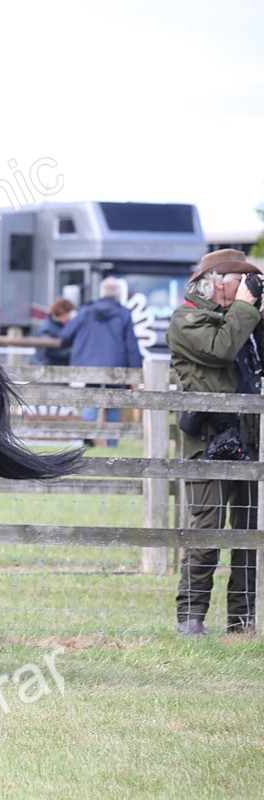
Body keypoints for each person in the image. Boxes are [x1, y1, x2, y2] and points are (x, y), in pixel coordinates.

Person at [168, 248, 262, 636]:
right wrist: (245, 309)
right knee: (206, 532)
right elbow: (220, 349)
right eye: (239, 282)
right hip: (207, 441)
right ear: (217, 283)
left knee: (247, 534)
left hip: (247, 438)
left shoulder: (240, 320)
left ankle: (242, 620)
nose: (245, 291)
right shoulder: (187, 318)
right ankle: (191, 618)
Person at [58, 277, 143, 446]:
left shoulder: (87, 311)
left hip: (90, 365)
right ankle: (112, 444)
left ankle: (88, 441)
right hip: (115, 366)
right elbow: (131, 346)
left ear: (101, 292)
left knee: (90, 402)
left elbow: (66, 335)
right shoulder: (123, 313)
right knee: (113, 405)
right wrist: (136, 374)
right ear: (118, 294)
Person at [31, 296, 76, 366]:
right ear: (62, 314)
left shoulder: (58, 326)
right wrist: (73, 352)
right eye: (68, 315)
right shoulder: (46, 329)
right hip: (45, 369)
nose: (70, 318)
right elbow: (48, 352)